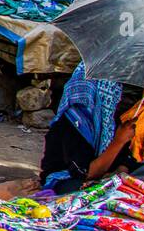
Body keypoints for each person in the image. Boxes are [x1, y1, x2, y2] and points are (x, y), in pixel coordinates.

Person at [40, 65, 128, 193]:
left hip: (104, 178)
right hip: (69, 179)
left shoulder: (110, 120)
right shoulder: (71, 122)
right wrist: (119, 141)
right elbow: (87, 173)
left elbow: (125, 160)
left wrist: (120, 172)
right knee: (83, 191)